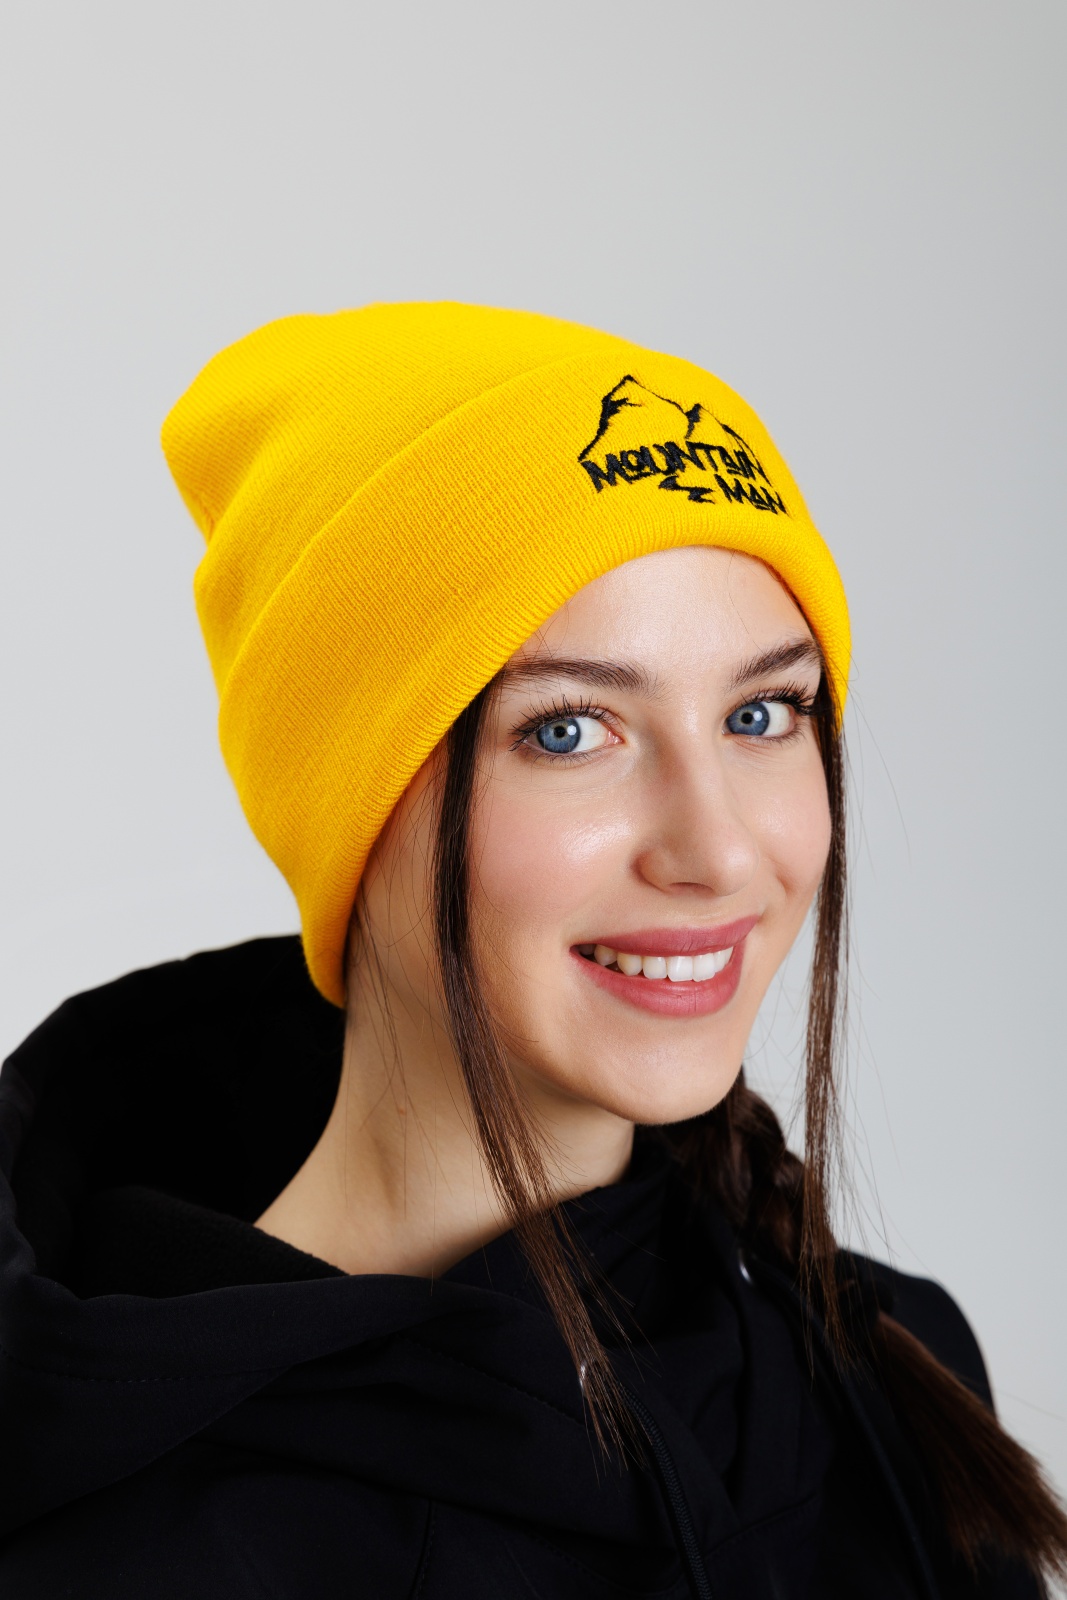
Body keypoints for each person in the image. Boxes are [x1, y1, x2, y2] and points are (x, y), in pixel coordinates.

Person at [0, 303, 1063, 1600]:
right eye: (568, 731)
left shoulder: (890, 1367)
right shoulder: (119, 1544)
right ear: (348, 808)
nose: (717, 849)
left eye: (762, 712)